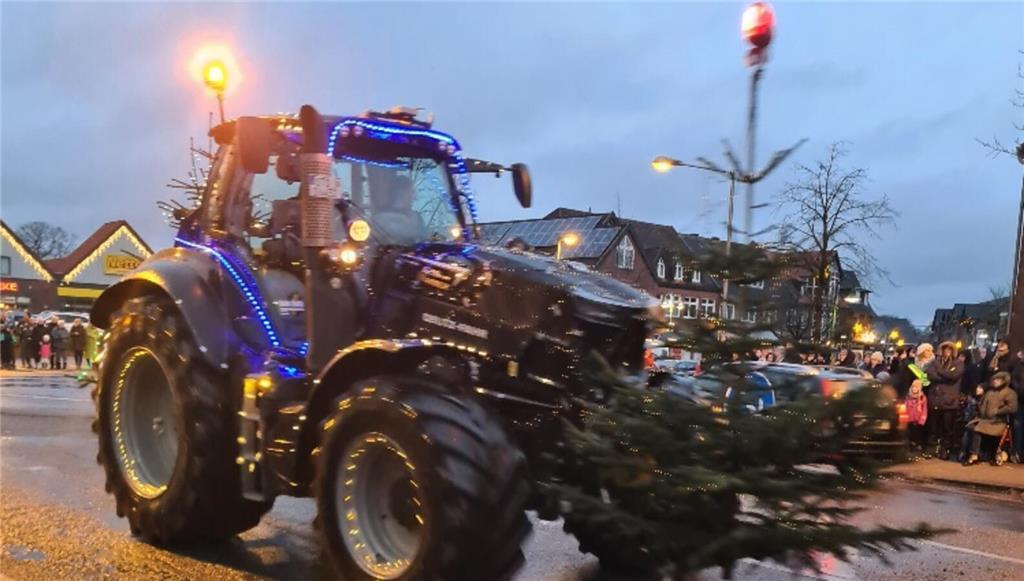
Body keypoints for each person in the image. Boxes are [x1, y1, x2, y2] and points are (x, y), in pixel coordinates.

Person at [963, 371, 1019, 466]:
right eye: (994, 379)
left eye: (998, 380)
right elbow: (982, 404)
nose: (995, 381)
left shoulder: (1009, 393)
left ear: (1004, 381)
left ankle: (974, 454)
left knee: (978, 429)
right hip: (983, 419)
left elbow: (1012, 408)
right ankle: (970, 453)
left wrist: (997, 411)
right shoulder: (989, 392)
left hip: (998, 421)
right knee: (970, 427)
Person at [926, 341, 964, 459]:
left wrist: (940, 372)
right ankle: (933, 449)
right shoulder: (935, 362)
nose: (947, 352)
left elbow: (954, 376)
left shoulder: (958, 363)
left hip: (949, 401)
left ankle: (946, 449)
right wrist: (944, 375)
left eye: (949, 350)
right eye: (945, 349)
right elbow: (930, 375)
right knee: (934, 427)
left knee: (948, 427)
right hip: (936, 399)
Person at [957, 384, 984, 463]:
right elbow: (967, 413)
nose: (978, 390)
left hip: (982, 421)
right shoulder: (971, 399)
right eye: (977, 388)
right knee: (967, 431)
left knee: (973, 430)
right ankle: (965, 452)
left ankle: (970, 453)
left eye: (980, 388)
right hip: (970, 420)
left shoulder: (985, 399)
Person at [905, 379, 928, 453]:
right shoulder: (908, 397)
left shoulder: (922, 398)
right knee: (910, 434)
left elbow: (924, 410)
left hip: (918, 420)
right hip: (909, 419)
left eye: (917, 387)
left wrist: (922, 419)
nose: (914, 388)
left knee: (918, 434)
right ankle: (911, 446)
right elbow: (905, 407)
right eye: (913, 386)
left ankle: (917, 445)